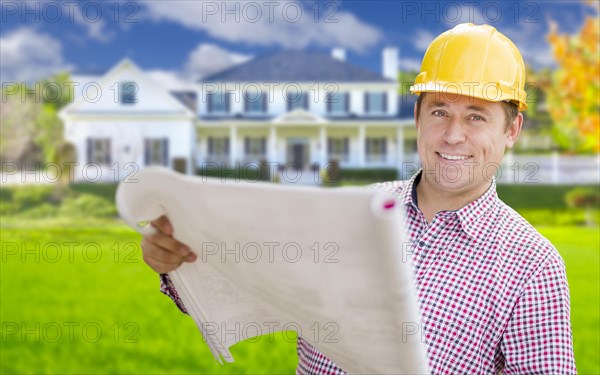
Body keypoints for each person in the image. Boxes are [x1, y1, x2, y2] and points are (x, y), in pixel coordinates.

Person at [140, 23, 576, 374]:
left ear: (512, 130)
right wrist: (177, 260)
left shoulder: (532, 266)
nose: (453, 135)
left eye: (476, 117)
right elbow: (248, 288)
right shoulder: (350, 213)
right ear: (417, 117)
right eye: (439, 111)